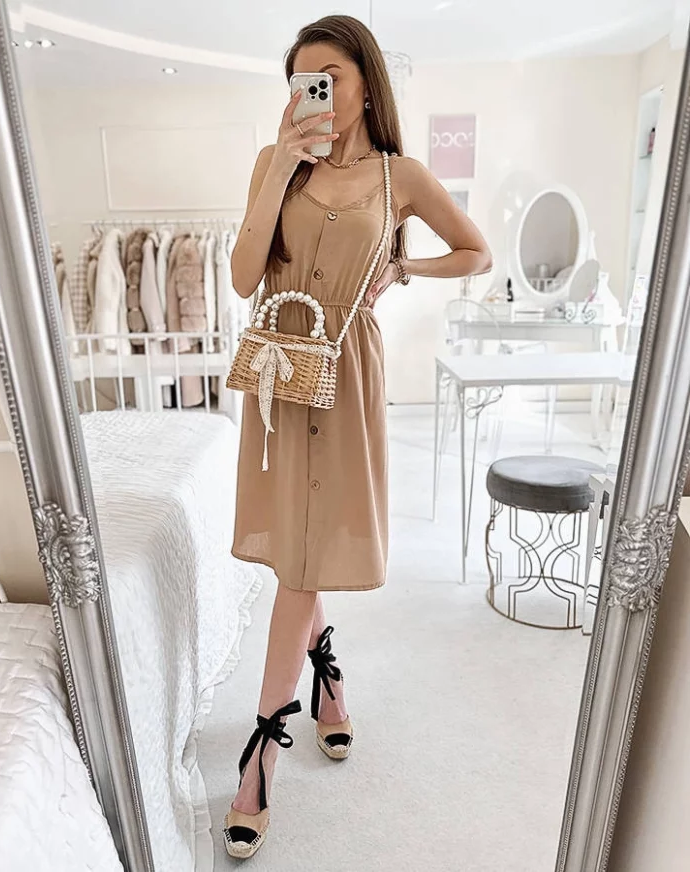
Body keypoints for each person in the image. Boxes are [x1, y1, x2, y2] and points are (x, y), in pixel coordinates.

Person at [224, 14, 492, 859]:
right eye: (301, 81)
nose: (315, 93)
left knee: (305, 554)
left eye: (329, 77)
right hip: (279, 367)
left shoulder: (397, 175)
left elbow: (476, 252)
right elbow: (242, 277)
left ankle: (263, 749)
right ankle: (322, 687)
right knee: (298, 549)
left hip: (346, 368)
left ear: (365, 85)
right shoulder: (273, 164)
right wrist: (280, 164)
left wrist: (405, 267)